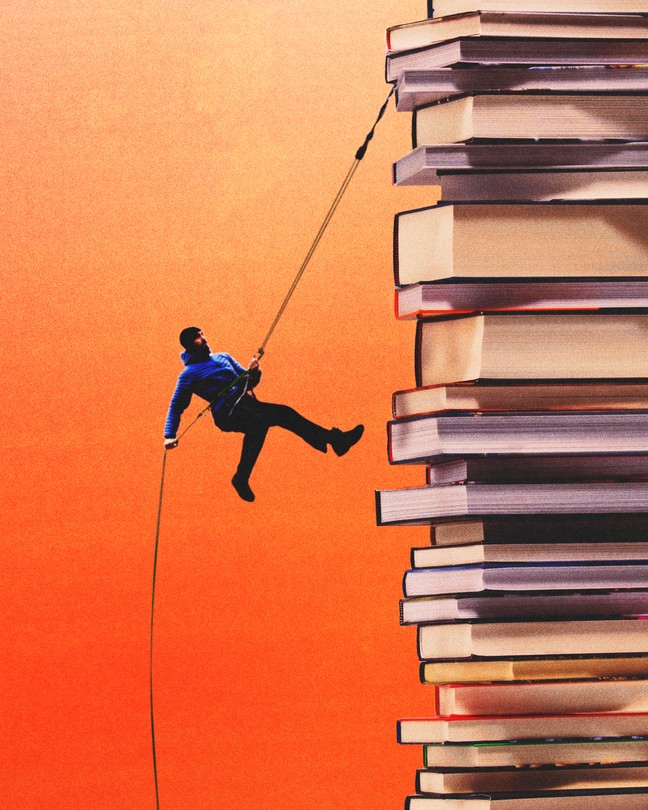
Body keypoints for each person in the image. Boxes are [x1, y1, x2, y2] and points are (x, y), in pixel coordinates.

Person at [164, 327, 364, 502]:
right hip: (227, 412)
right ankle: (334, 440)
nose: (204, 339)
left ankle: (242, 477)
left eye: (203, 334)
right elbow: (176, 405)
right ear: (190, 345)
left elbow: (248, 383)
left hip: (246, 404)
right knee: (265, 422)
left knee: (274, 419)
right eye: (199, 337)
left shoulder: (222, 357)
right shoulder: (189, 374)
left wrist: (254, 372)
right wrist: (169, 435)